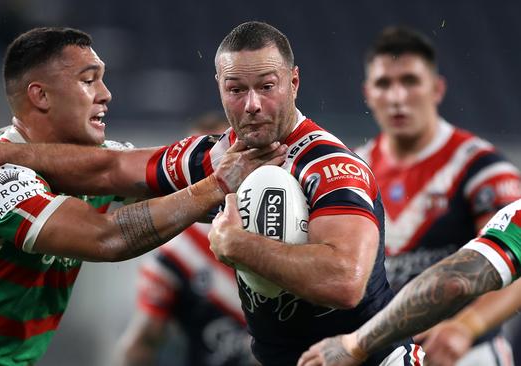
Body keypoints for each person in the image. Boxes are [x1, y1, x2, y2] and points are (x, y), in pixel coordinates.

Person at [0, 21, 421, 366]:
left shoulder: (330, 166)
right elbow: (108, 174)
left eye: (266, 87)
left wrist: (240, 245)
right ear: (218, 88)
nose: (251, 105)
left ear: (293, 83)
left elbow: (346, 281)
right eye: (235, 89)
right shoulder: (217, 156)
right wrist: (4, 156)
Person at [0, 27, 285, 366]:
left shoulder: (90, 163)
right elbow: (105, 236)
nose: (106, 94)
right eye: (88, 79)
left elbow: (169, 185)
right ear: (40, 96)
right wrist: (218, 184)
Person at [351, 26, 521, 365]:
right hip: (387, 354)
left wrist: (466, 325)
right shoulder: (353, 169)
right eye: (384, 84)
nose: (397, 96)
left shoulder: (481, 167)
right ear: (368, 93)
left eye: (410, 81)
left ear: (437, 88)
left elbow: (517, 264)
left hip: (468, 352)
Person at [297, 198, 521, 366]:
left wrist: (355, 344)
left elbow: (458, 280)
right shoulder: (363, 161)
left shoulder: (481, 165)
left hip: (467, 351)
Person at [115, 113, 258, 366]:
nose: (221, 167)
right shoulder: (178, 252)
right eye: (205, 160)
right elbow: (143, 342)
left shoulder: (282, 223)